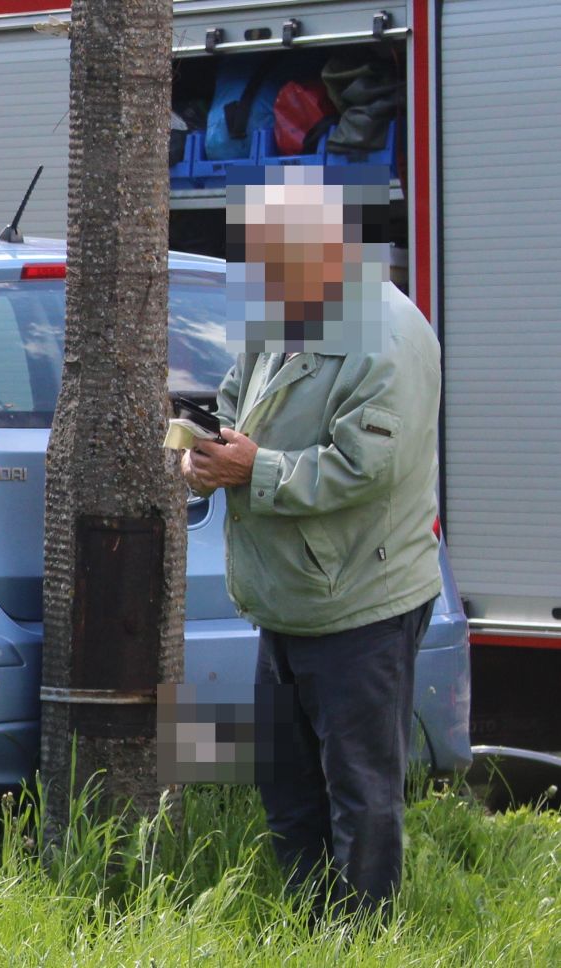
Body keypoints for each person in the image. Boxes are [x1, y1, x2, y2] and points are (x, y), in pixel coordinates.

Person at [180, 168, 442, 919]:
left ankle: (361, 937)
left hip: (359, 601)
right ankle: (306, 922)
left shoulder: (388, 336)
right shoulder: (288, 308)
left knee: (360, 790)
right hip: (287, 597)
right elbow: (238, 397)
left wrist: (251, 470)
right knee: (288, 784)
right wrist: (210, 447)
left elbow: (362, 469)